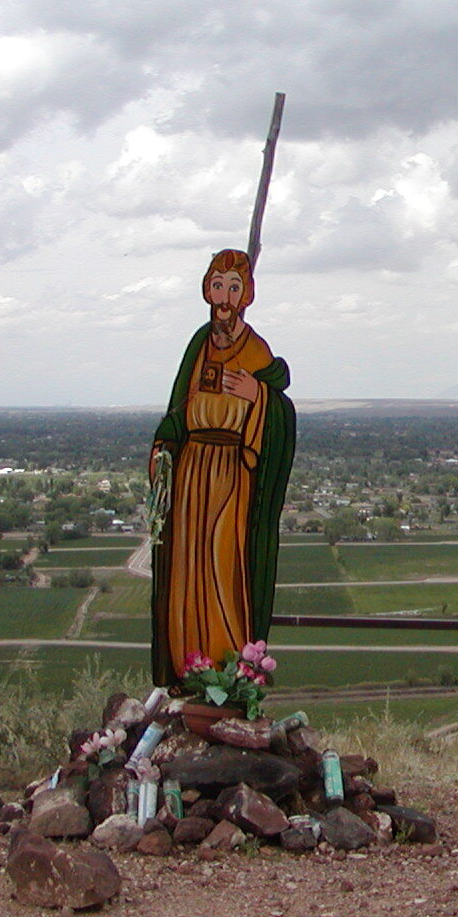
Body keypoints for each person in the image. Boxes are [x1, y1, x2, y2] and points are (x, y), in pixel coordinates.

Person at [149, 249, 296, 686]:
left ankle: (228, 670)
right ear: (207, 291)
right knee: (187, 568)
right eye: (218, 285)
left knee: (221, 564)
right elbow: (180, 408)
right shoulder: (199, 344)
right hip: (191, 472)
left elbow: (280, 413)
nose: (225, 297)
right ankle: (188, 667)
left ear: (246, 295)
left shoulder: (256, 349)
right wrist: (165, 446)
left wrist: (258, 395)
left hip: (232, 473)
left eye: (234, 287)